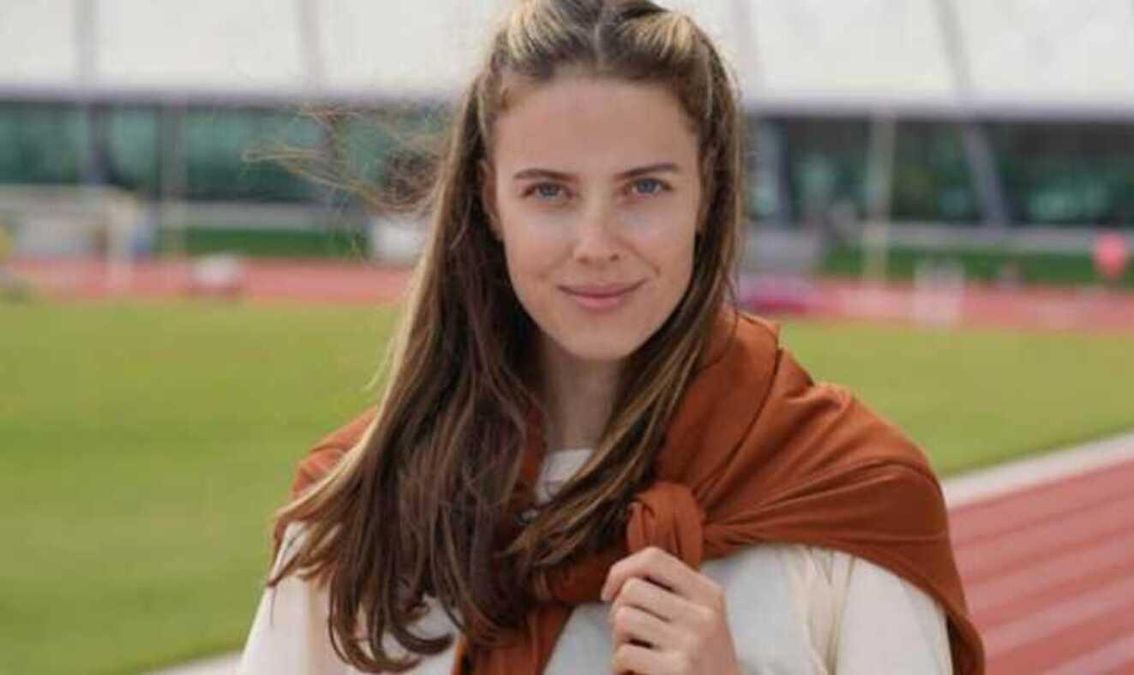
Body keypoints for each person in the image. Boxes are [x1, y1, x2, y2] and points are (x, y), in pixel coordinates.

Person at [236, 1, 984, 673]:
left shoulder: (852, 499)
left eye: (644, 187)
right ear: (490, 200)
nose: (596, 243)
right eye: (549, 191)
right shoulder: (359, 512)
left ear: (707, 190)